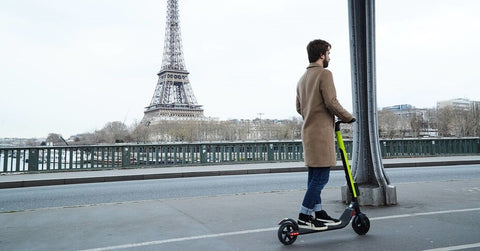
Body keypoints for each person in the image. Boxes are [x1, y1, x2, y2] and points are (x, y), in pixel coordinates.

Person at [295, 39, 355, 230]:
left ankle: (318, 212)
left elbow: (299, 107)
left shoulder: (302, 78)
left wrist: (312, 114)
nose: (329, 57)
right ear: (322, 54)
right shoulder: (324, 74)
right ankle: (304, 215)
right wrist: (348, 117)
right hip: (321, 135)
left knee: (314, 176)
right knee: (321, 177)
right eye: (328, 53)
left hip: (308, 133)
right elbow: (331, 101)